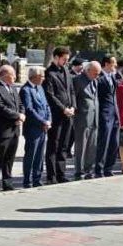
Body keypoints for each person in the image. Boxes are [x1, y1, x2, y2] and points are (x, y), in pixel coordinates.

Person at [0, 65, 24, 192]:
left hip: (15, 129)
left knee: (10, 157)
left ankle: (7, 181)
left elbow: (19, 104)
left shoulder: (13, 87)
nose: (15, 77)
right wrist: (17, 115)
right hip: (3, 129)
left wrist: (21, 114)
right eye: (12, 74)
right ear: (4, 75)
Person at [43, 47, 76, 184]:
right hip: (57, 114)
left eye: (67, 60)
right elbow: (50, 95)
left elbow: (72, 91)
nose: (66, 62)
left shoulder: (66, 71)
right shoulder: (49, 73)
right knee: (53, 145)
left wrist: (73, 106)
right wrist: (63, 109)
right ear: (56, 57)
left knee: (64, 145)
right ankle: (52, 175)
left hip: (69, 114)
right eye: (64, 59)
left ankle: (61, 174)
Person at [20, 67, 52, 188]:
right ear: (35, 77)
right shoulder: (26, 90)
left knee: (39, 155)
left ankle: (37, 178)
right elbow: (29, 110)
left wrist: (48, 120)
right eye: (42, 76)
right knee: (31, 155)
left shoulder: (40, 88)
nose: (44, 78)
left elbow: (46, 106)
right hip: (33, 128)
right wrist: (43, 121)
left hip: (43, 127)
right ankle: (27, 180)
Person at [71, 61, 101, 180]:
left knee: (92, 146)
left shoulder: (95, 81)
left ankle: (89, 170)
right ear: (87, 70)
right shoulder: (78, 81)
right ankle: (79, 171)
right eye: (95, 73)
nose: (97, 76)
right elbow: (74, 98)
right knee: (81, 146)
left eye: (98, 73)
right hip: (82, 118)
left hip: (94, 118)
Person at [93, 56, 120, 178]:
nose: (115, 66)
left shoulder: (113, 77)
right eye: (113, 63)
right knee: (103, 142)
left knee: (114, 142)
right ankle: (99, 168)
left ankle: (109, 167)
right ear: (106, 64)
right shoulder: (100, 79)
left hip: (115, 114)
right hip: (104, 114)